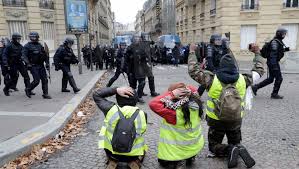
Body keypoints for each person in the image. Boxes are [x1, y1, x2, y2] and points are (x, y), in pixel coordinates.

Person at [188, 44, 259, 168]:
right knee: (235, 140)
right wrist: (257, 53)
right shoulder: (243, 79)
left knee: (213, 145)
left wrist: (192, 52)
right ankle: (236, 147)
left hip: (216, 120)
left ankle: (227, 150)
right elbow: (259, 70)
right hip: (235, 119)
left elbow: (193, 70)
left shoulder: (210, 79)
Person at [149, 83, 204, 169]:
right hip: (193, 148)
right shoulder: (196, 106)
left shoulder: (174, 113)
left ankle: (179, 162)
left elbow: (153, 104)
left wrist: (171, 94)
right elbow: (193, 89)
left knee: (163, 161)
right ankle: (189, 158)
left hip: (176, 152)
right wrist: (186, 89)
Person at [93, 86, 147, 169]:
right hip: (133, 154)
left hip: (112, 153)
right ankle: (134, 162)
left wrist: (116, 90)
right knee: (142, 143)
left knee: (106, 132)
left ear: (118, 99)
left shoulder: (110, 109)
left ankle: (113, 161)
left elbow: (96, 95)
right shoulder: (143, 114)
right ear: (136, 100)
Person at [252, 28, 290, 99]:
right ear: (280, 34)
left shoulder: (278, 41)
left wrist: (286, 49)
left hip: (272, 62)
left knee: (270, 79)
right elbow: (273, 54)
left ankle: (255, 87)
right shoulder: (275, 42)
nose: (284, 35)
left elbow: (278, 51)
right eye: (283, 34)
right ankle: (274, 94)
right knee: (279, 78)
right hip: (273, 63)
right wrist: (274, 65)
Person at [22, 32, 51, 99]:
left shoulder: (40, 45)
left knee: (45, 80)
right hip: (33, 66)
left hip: (41, 65)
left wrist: (47, 63)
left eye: (34, 37)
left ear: (37, 37)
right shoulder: (27, 46)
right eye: (32, 37)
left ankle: (45, 94)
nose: (33, 38)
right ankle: (28, 89)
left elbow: (45, 55)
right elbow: (23, 56)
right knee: (36, 80)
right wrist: (27, 63)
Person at [126, 35, 147, 103]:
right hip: (132, 69)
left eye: (138, 39)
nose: (137, 40)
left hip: (140, 68)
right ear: (133, 40)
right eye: (135, 39)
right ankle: (133, 96)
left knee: (142, 82)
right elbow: (126, 58)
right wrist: (130, 57)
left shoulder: (142, 47)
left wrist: (142, 57)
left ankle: (139, 96)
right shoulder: (129, 48)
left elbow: (145, 55)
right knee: (133, 85)